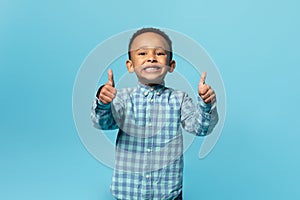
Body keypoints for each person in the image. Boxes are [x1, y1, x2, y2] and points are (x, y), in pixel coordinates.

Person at [91, 27, 219, 200]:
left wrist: (205, 103)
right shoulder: (122, 98)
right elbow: (103, 123)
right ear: (130, 65)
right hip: (128, 193)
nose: (151, 58)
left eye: (159, 53)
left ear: (171, 65)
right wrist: (104, 102)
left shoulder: (179, 99)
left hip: (167, 194)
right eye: (142, 53)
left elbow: (200, 128)